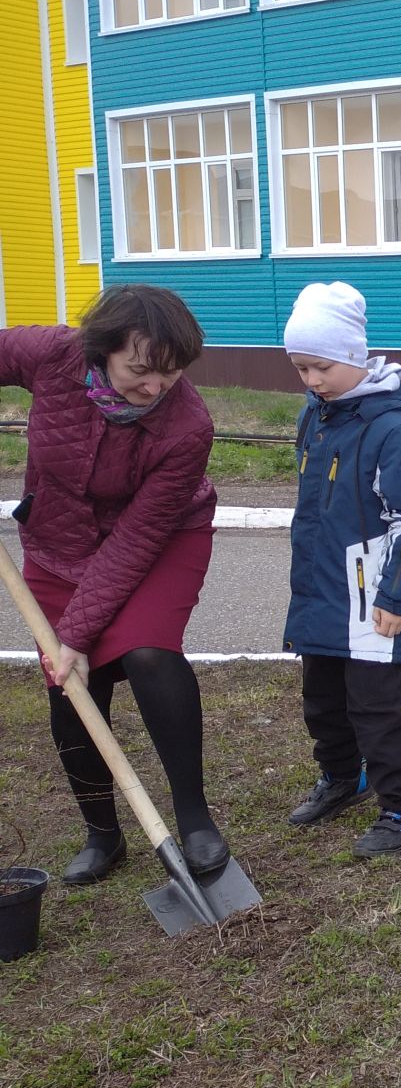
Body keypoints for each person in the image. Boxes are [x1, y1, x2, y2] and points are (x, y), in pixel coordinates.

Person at [1, 288, 227, 885]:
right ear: (102, 350)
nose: (155, 388)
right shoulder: (53, 353)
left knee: (150, 652)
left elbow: (133, 543)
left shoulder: (188, 427)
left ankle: (194, 817)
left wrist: (75, 632)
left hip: (158, 543)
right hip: (59, 540)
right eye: (140, 370)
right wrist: (71, 646)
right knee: (71, 682)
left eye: (171, 373)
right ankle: (103, 833)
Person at [279, 282, 401, 859]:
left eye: (320, 366)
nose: (311, 380)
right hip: (320, 591)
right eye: (301, 369)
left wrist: (396, 596)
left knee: (374, 707)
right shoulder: (315, 417)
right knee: (321, 699)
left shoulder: (392, 430)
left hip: (372, 596)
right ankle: (343, 777)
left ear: (351, 356)